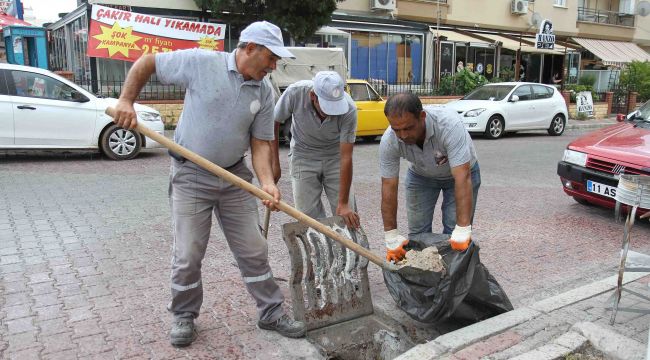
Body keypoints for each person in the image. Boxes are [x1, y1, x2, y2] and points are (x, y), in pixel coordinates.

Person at [110, 21, 306, 347]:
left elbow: (259, 145)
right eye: (272, 58)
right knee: (188, 253)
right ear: (250, 48)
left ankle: (271, 312)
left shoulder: (264, 91)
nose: (274, 66)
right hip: (191, 175)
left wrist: (267, 182)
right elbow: (147, 63)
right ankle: (184, 315)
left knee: (254, 249)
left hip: (234, 177)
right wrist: (126, 101)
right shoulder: (201, 63)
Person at [379, 93, 481, 262]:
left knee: (453, 233)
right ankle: (425, 281)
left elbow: (462, 177)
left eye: (408, 128)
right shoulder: (389, 140)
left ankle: (451, 282)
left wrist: (463, 228)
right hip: (421, 176)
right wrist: (391, 236)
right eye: (397, 129)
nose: (403, 135)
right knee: (418, 234)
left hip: (460, 175)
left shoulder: (449, 126)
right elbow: (388, 185)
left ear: (422, 116)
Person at [272, 71, 360, 229]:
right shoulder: (295, 93)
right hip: (303, 155)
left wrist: (344, 203)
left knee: (346, 214)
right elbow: (274, 122)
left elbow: (346, 156)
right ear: (313, 96)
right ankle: (320, 251)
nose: (330, 112)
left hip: (335, 157)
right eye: (327, 106)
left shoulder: (349, 109)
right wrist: (274, 164)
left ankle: (350, 251)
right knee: (308, 217)